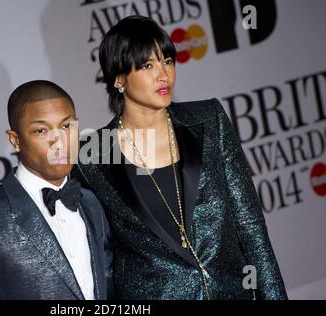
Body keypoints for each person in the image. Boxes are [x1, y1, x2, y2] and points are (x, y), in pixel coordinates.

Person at [74, 15, 287, 300]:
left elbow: (250, 227)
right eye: (148, 65)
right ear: (119, 78)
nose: (164, 75)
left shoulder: (209, 120)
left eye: (168, 61)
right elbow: (101, 258)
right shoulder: (94, 156)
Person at [0, 80, 114, 299]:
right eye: (41, 131)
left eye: (66, 126)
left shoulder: (90, 202)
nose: (60, 142)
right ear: (15, 140)